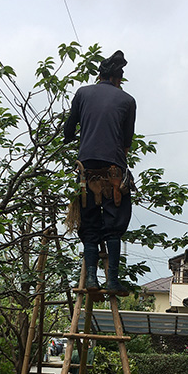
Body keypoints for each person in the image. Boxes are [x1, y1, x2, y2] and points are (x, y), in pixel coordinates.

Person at [63, 50, 136, 294]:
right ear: (118, 79)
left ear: (100, 76)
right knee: (114, 223)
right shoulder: (127, 100)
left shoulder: (83, 93)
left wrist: (77, 138)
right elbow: (126, 143)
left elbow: (69, 129)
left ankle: (92, 279)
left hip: (87, 171)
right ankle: (112, 281)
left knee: (90, 222)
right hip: (114, 169)